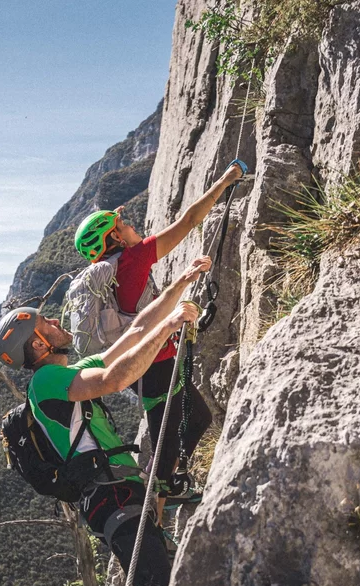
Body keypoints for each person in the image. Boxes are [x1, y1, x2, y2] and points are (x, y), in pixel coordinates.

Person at [0, 256, 210, 586]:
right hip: (111, 498)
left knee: (149, 582)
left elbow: (130, 341)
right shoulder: (47, 380)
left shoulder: (63, 373)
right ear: (39, 344)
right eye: (46, 322)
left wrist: (179, 285)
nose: (56, 322)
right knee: (157, 583)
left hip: (115, 495)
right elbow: (113, 379)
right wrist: (172, 321)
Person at [73, 159, 248, 512]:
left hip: (140, 363)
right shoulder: (133, 259)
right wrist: (226, 181)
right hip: (154, 362)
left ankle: (164, 488)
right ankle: (160, 497)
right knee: (181, 421)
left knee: (180, 421)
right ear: (115, 238)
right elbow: (189, 221)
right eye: (123, 224)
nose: (132, 225)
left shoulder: (110, 272)